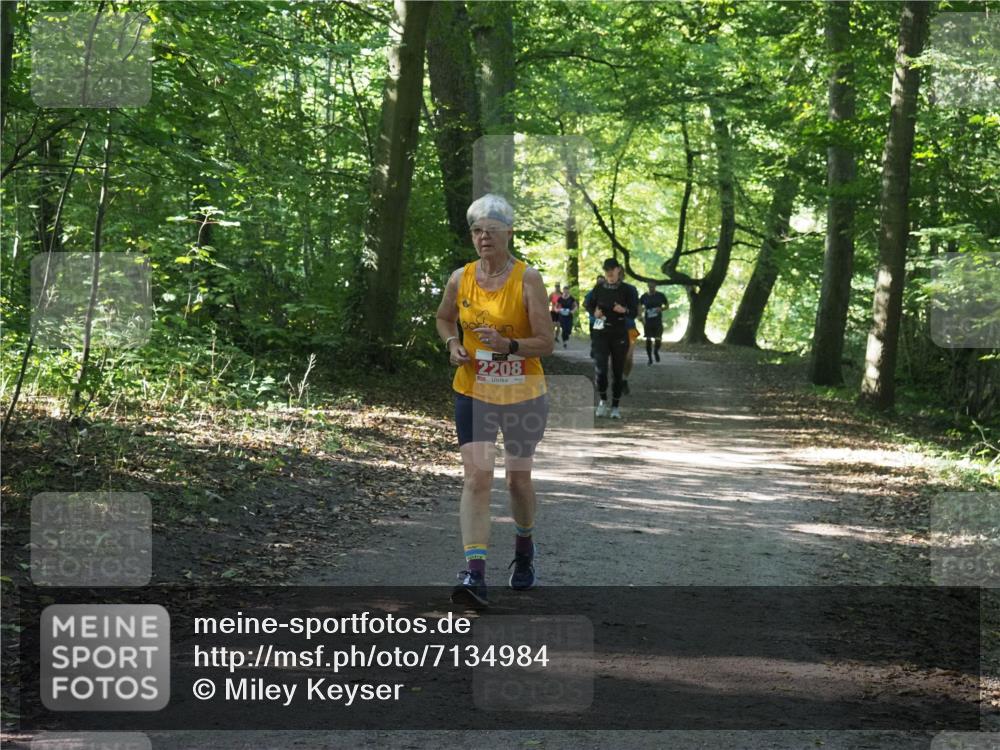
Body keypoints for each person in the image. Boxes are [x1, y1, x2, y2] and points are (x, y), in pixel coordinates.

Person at [435, 194, 553, 609]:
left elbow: (546, 343)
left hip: (523, 394)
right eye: (477, 231)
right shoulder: (460, 278)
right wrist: (453, 343)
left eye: (492, 230)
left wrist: (509, 345)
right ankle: (475, 573)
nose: (484, 238)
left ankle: (524, 548)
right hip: (474, 391)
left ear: (509, 232)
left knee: (516, 480)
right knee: (476, 478)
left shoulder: (528, 279)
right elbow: (444, 317)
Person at [584, 258, 638, 419]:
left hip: (619, 331)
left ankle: (615, 406)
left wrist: (624, 310)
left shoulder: (629, 290)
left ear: (618, 270)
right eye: (607, 271)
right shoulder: (599, 288)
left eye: (612, 271)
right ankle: (602, 401)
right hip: (600, 330)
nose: (610, 274)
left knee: (617, 369)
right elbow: (588, 304)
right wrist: (594, 313)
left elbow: (634, 312)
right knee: (600, 368)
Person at [640, 282, 669, 364]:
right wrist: (640, 315)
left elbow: (667, 306)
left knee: (658, 339)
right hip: (648, 321)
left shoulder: (660, 295)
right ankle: (649, 359)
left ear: (655, 286)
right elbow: (639, 306)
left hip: (657, 321)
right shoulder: (644, 296)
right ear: (648, 286)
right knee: (648, 339)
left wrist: (661, 309)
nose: (651, 288)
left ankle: (656, 351)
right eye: (650, 286)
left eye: (653, 286)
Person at [583, 275, 604, 360]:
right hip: (593, 319)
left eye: (602, 282)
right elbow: (584, 304)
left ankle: (596, 351)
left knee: (598, 335)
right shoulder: (591, 293)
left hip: (601, 319)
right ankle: (594, 349)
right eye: (599, 281)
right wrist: (592, 311)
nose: (600, 283)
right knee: (594, 335)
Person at [622, 316, 639, 395]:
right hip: (611, 329)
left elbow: (639, 308)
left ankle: (624, 380)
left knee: (628, 358)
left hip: (630, 329)